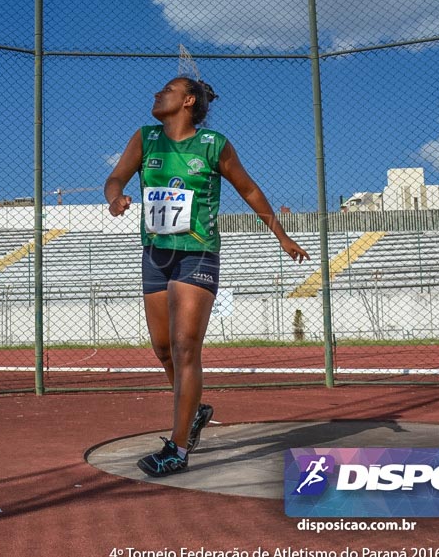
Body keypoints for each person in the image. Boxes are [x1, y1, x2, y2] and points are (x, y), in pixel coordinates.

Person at [104, 76, 310, 478]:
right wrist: (116, 197)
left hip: (197, 253)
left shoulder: (213, 144)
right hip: (156, 253)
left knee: (185, 348)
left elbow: (248, 189)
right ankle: (194, 410)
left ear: (188, 101)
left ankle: (177, 449)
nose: (156, 93)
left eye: (167, 90)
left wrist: (281, 235)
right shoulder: (145, 138)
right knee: (163, 350)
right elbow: (116, 178)